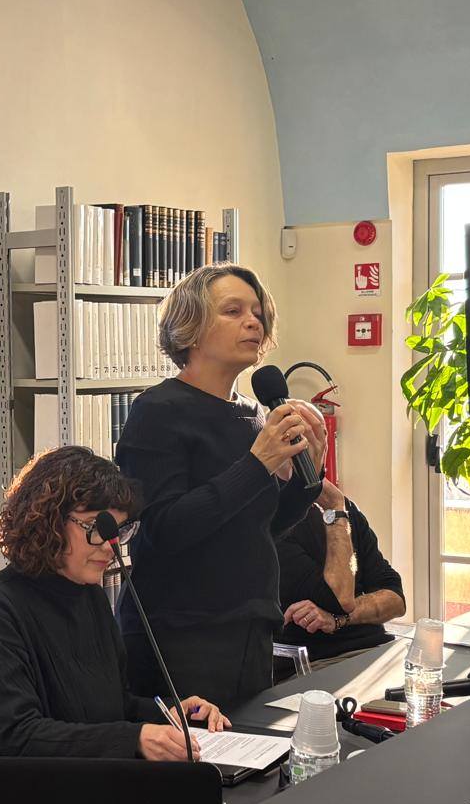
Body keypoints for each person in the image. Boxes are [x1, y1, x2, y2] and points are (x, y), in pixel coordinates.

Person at [115, 265, 326, 709]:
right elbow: (165, 528)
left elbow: (260, 528)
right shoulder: (158, 411)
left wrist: (310, 477)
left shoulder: (252, 413)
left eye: (257, 313)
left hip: (250, 628)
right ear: (190, 327)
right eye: (233, 311)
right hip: (181, 634)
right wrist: (257, 463)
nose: (253, 322)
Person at [0, 446, 229, 759]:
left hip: (89, 778)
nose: (109, 546)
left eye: (117, 531)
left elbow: (114, 708)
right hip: (20, 786)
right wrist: (134, 739)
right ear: (48, 521)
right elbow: (20, 736)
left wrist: (169, 714)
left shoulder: (90, 595)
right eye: (95, 528)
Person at [278, 480, 406, 666]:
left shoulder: (347, 510)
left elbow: (396, 600)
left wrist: (338, 619)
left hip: (376, 649)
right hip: (320, 662)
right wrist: (335, 510)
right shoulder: (277, 519)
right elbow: (341, 600)